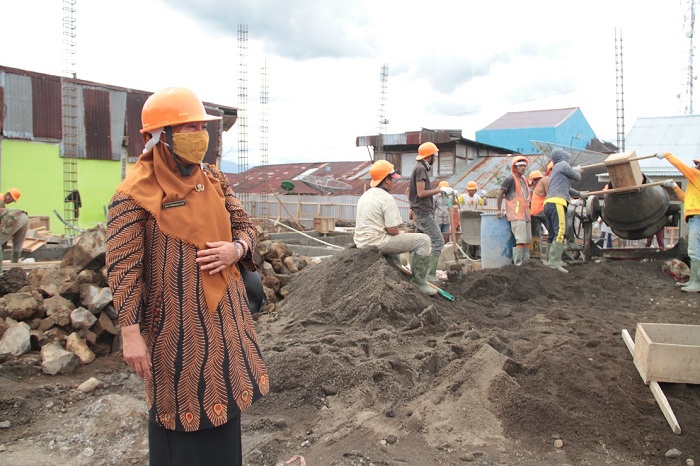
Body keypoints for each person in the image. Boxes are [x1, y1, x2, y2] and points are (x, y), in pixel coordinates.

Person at [105, 87, 269, 465]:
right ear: (160, 136)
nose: (200, 134)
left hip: (227, 322)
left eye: (201, 126)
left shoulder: (212, 178)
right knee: (178, 421)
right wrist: (130, 335)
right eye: (189, 126)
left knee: (225, 415)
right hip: (176, 332)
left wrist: (236, 249)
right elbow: (123, 268)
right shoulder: (133, 194)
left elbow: (247, 227)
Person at [355, 160, 436, 296]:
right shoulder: (386, 198)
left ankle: (397, 270)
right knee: (424, 240)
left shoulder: (365, 195)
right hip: (377, 242)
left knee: (398, 240)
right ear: (386, 180)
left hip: (361, 241)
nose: (394, 182)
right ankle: (420, 282)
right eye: (392, 179)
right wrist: (401, 232)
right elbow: (392, 230)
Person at [656, 151, 700, 292]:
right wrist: (675, 186)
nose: (695, 166)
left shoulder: (697, 176)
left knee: (694, 251)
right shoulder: (695, 182)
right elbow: (686, 199)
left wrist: (667, 155)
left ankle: (696, 282)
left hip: (698, 218)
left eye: (697, 164)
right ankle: (693, 280)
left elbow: (680, 166)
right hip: (695, 218)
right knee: (694, 251)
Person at [543, 149, 585, 273]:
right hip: (558, 202)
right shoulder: (563, 165)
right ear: (563, 157)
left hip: (548, 203)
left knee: (552, 233)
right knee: (560, 231)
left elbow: (567, 189)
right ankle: (554, 263)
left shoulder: (556, 170)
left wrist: (579, 194)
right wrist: (577, 170)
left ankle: (549, 261)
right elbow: (577, 177)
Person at [409, 141, 446, 284]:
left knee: (418, 244)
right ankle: (429, 276)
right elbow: (421, 192)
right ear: (429, 156)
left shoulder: (419, 168)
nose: (436, 158)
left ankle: (418, 275)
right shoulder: (421, 169)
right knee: (438, 241)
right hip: (423, 212)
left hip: (420, 211)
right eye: (435, 155)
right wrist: (439, 190)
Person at [496, 156, 532, 266]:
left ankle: (526, 264)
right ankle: (518, 265)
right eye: (520, 166)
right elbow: (500, 193)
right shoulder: (510, 179)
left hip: (525, 215)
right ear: (515, 168)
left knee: (527, 241)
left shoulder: (525, 180)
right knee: (520, 241)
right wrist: (498, 209)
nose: (523, 168)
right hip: (516, 215)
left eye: (524, 166)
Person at [0, 188, 29, 273]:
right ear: (7, 194)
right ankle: (14, 268)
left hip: (14, 218)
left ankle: (0, 272)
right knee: (18, 243)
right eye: (11, 199)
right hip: (24, 216)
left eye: (12, 200)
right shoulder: (1, 201)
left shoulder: (1, 202)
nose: (10, 201)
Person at [531, 163, 552, 263]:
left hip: (535, 213)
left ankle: (536, 258)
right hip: (540, 212)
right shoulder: (543, 183)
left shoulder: (535, 188)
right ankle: (540, 258)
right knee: (552, 233)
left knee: (536, 235)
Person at [527, 171, 544, 259]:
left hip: (538, 214)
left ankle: (536, 256)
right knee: (535, 235)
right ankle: (535, 256)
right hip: (533, 215)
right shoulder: (530, 191)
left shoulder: (538, 190)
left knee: (537, 234)